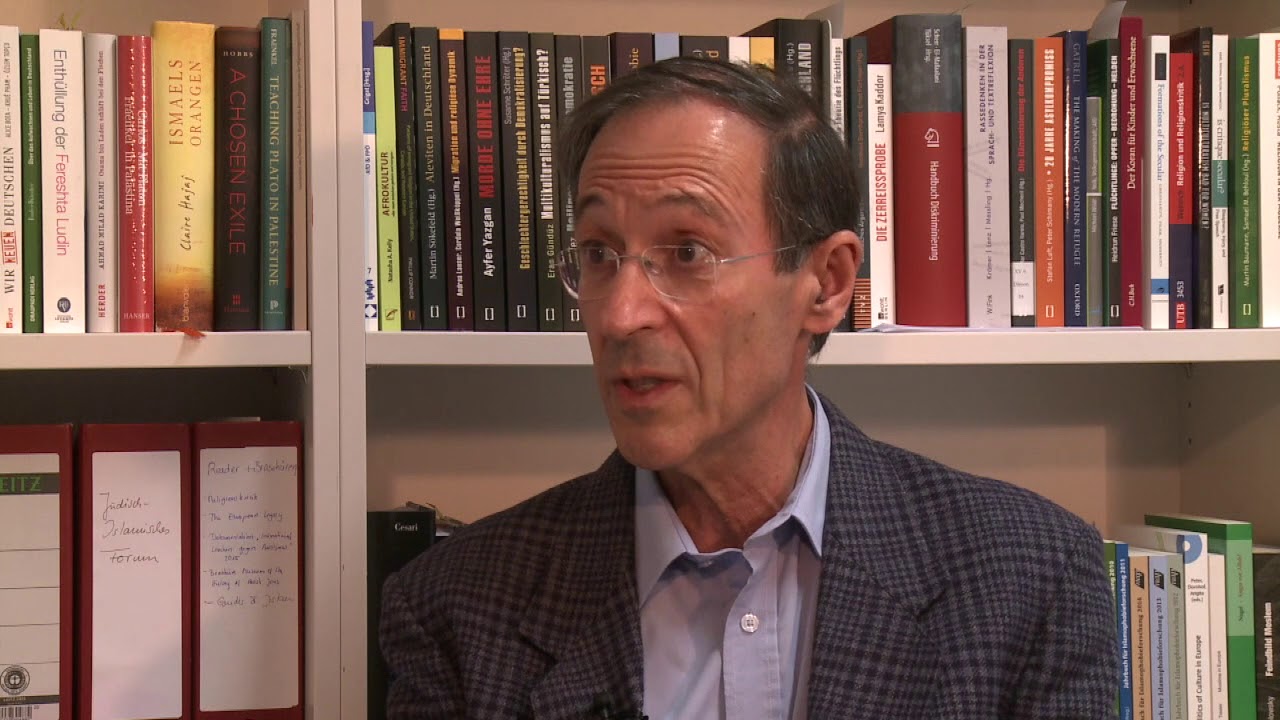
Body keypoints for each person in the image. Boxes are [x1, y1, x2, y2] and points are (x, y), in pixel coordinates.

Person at [379, 56, 1118, 719]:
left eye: (688, 251)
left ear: (826, 285)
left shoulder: (1031, 581)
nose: (621, 314)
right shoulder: (455, 606)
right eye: (599, 253)